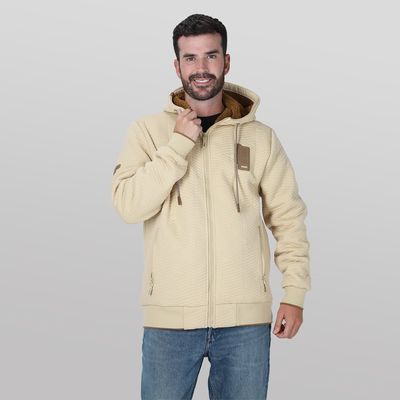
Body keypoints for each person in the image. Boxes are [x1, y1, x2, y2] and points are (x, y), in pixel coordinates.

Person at [111, 13, 311, 400]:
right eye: (190, 58)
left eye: (211, 56)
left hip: (245, 324)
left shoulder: (261, 138)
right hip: (169, 322)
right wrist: (178, 146)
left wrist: (294, 293)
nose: (201, 68)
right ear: (177, 66)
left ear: (226, 61)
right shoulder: (147, 132)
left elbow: (289, 219)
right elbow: (128, 205)